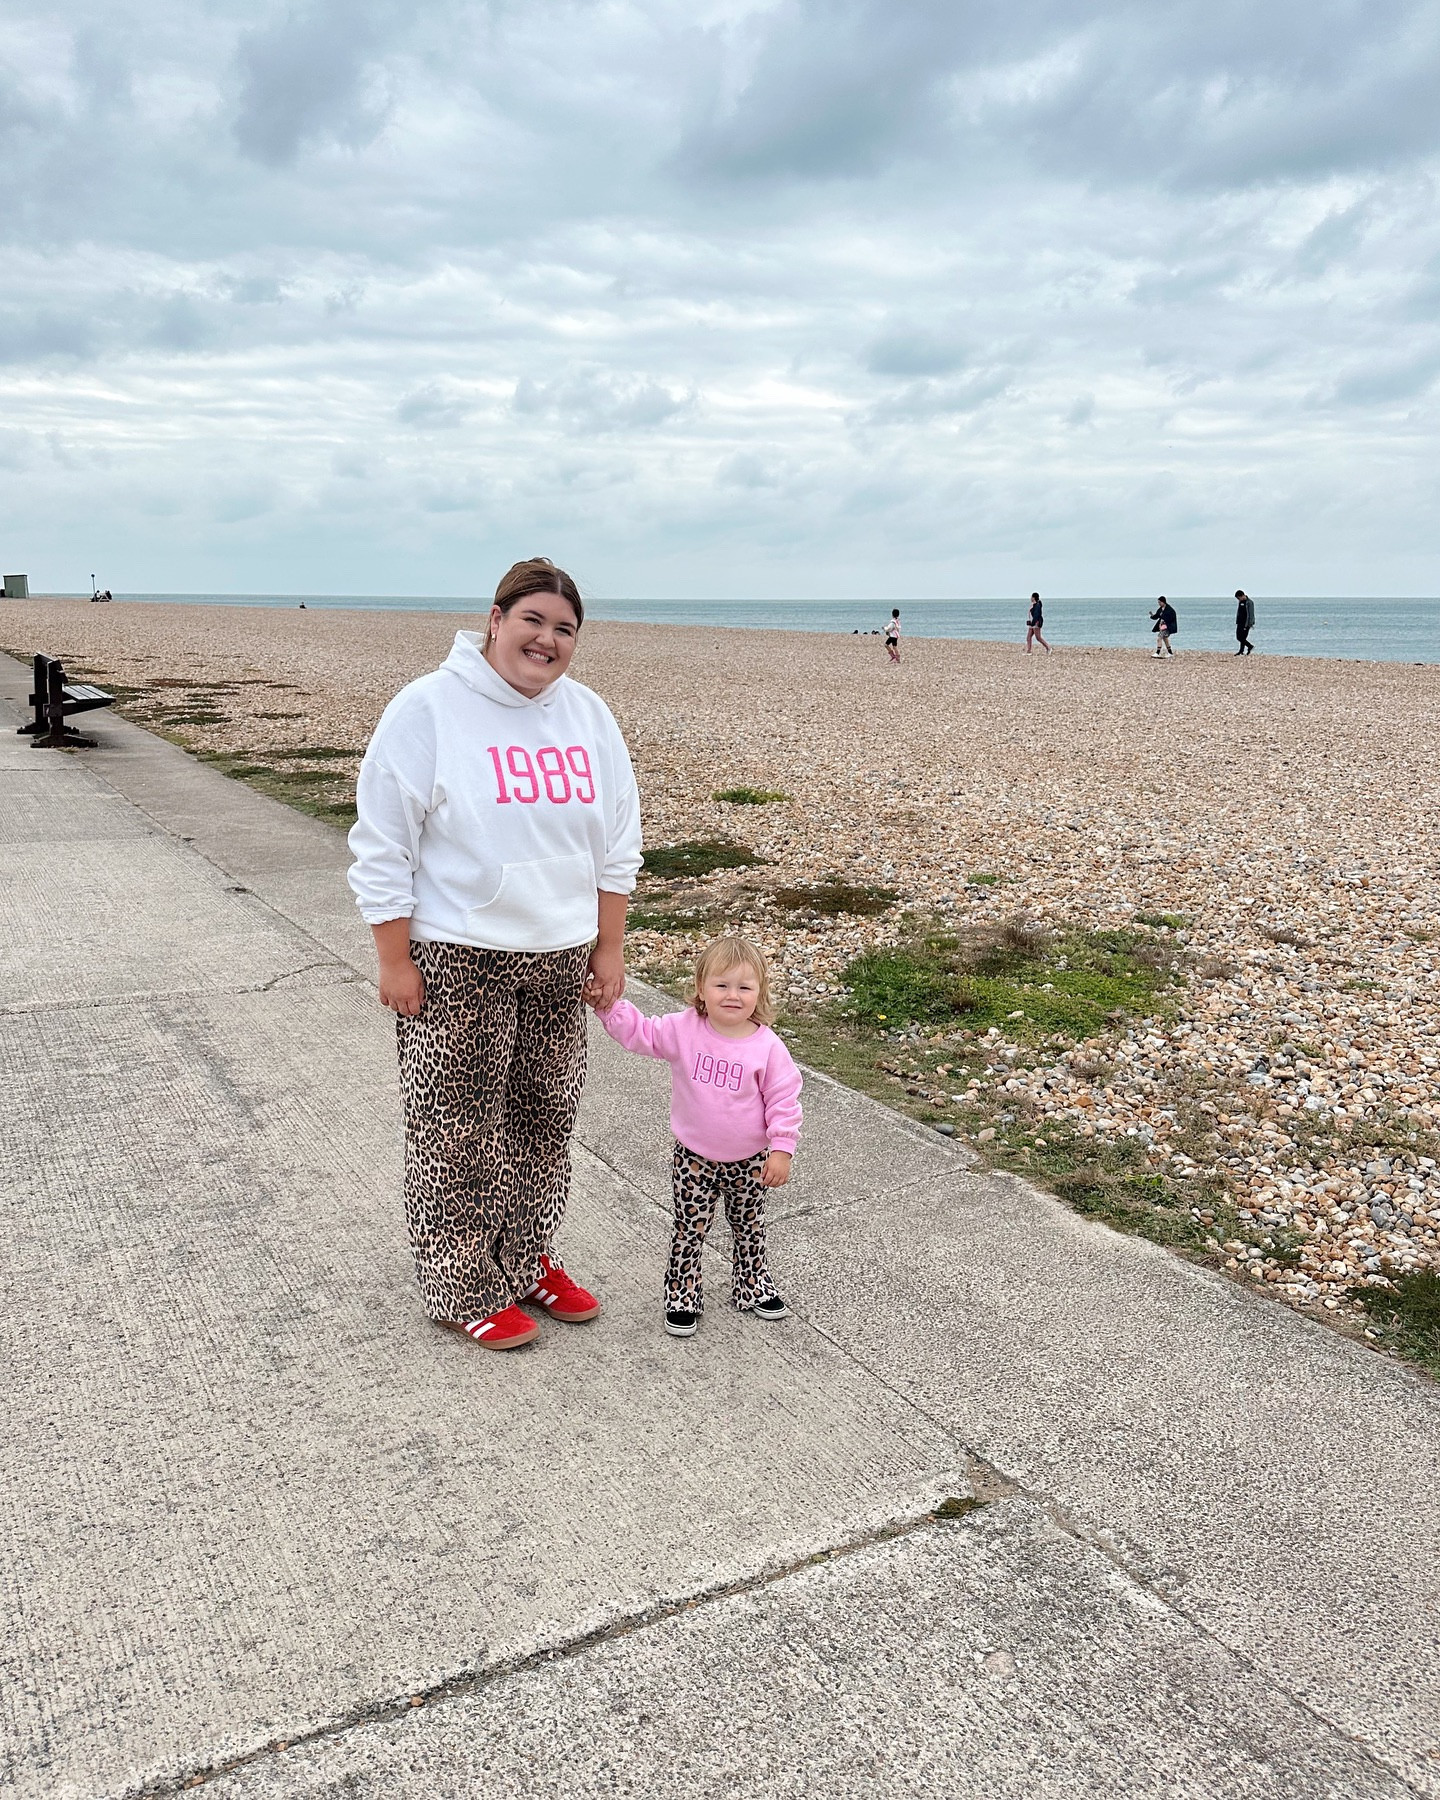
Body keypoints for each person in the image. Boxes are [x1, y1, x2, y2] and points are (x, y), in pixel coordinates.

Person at [347, 557, 642, 1352]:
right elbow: (382, 844)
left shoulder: (589, 717)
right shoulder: (429, 708)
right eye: (533, 620)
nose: (547, 640)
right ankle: (460, 1283)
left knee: (544, 1121)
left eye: (565, 629)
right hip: (459, 957)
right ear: (495, 619)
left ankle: (525, 1258)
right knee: (457, 1130)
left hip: (560, 958)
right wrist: (393, 958)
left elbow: (619, 844)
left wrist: (609, 946)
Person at [592, 935, 802, 1338]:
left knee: (749, 1226)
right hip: (694, 1159)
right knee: (690, 1228)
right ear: (701, 988)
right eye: (722, 985)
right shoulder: (684, 1029)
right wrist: (609, 1007)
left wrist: (782, 1149)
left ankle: (753, 1284)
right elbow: (642, 1033)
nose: (732, 995)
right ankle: (683, 1294)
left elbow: (783, 1101)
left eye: (744, 987)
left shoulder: (767, 1048)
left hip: (750, 1162)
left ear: (760, 993)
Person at [1235, 589, 1255, 655]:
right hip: (1240, 622)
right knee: (1239, 637)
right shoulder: (1240, 602)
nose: (1238, 599)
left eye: (1239, 598)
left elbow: (1251, 614)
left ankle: (1249, 646)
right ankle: (1242, 650)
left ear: (1242, 595)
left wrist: (1250, 624)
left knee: (1242, 637)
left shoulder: (1249, 602)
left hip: (1246, 623)